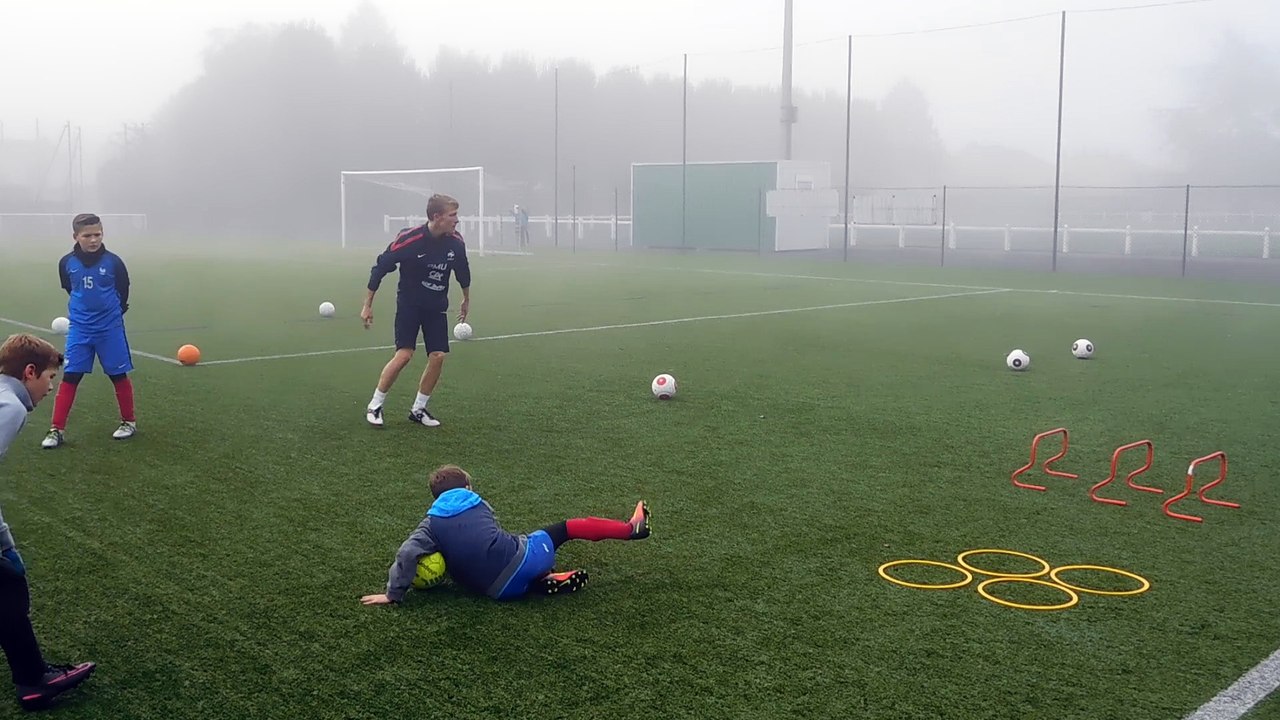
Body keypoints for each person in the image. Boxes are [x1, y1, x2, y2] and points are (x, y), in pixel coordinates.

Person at [360, 465, 650, 604]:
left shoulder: (430, 524)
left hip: (494, 592)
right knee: (564, 529)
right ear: (468, 488)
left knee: (505, 559)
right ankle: (631, 529)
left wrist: (392, 594)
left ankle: (539, 583)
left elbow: (408, 553)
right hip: (522, 560)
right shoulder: (479, 503)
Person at [0, 333, 96, 710]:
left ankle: (31, 676)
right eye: (50, 378)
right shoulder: (10, 407)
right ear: (29, 372)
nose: (51, 388)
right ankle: (34, 681)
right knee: (10, 586)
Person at [361, 194, 471, 428]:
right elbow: (380, 267)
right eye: (453, 215)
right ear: (436, 217)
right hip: (410, 305)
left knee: (438, 355)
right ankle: (375, 404)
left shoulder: (456, 242)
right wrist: (367, 305)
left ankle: (419, 409)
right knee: (404, 355)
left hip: (436, 307)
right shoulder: (409, 240)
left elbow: (462, 269)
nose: (457, 220)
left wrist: (465, 299)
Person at [41, 213, 136, 449]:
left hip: (110, 329)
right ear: (76, 236)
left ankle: (129, 422)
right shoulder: (66, 263)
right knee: (71, 376)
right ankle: (56, 430)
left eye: (98, 234)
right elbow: (70, 288)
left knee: (117, 375)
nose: (93, 240)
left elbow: (123, 290)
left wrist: (112, 315)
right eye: (87, 235)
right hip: (80, 329)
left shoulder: (114, 262)